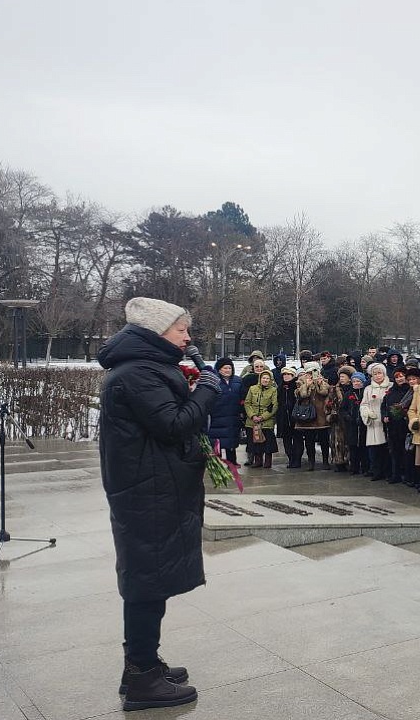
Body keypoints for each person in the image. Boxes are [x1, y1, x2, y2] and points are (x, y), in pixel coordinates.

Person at [98, 297, 215, 710]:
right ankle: (143, 676)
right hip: (146, 491)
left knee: (151, 576)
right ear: (155, 331)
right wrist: (207, 393)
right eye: (181, 329)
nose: (188, 336)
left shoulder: (144, 368)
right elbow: (173, 424)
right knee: (147, 579)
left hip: (150, 486)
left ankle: (142, 664)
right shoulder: (137, 374)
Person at [293, 361, 332, 470]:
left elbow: (325, 392)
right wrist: (307, 385)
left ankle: (325, 461)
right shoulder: (300, 382)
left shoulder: (323, 381)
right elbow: (301, 395)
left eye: (314, 371)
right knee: (309, 441)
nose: (311, 374)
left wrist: (319, 384)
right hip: (307, 415)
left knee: (324, 440)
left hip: (321, 415)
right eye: (309, 372)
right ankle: (311, 461)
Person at [205, 357, 243, 465]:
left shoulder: (237, 381)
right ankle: (216, 463)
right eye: (225, 368)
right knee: (217, 441)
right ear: (219, 369)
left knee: (231, 440)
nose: (227, 370)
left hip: (233, 416)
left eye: (229, 368)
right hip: (217, 416)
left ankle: (232, 462)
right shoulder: (214, 381)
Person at [360, 362, 392, 481]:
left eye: (380, 373)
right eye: (375, 374)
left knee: (386, 449)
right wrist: (367, 413)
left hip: (386, 422)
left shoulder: (390, 386)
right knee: (374, 449)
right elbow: (364, 404)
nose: (378, 376)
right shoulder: (368, 389)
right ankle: (376, 471)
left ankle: (388, 472)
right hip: (373, 423)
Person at [243, 369, 279, 469]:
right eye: (263, 378)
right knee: (255, 442)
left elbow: (274, 405)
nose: (265, 380)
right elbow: (247, 403)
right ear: (260, 379)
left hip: (266, 421)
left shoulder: (273, 390)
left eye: (267, 378)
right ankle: (258, 460)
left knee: (268, 443)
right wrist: (252, 416)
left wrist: (263, 417)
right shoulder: (252, 388)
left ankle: (268, 461)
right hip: (252, 421)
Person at [276, 366, 300, 467]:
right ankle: (290, 458)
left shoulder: (296, 386)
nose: (286, 376)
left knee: (297, 439)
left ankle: (297, 459)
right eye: (284, 374)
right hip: (283, 418)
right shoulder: (280, 386)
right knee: (286, 440)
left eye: (288, 374)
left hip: (295, 417)